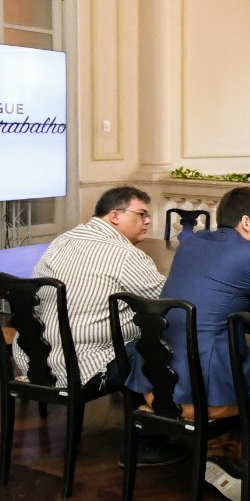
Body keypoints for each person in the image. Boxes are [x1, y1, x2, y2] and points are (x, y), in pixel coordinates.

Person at [131, 186, 250, 501]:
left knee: (238, 359)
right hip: (199, 392)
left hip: (157, 382)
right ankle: (231, 456)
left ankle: (221, 450)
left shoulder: (192, 242)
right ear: (246, 222)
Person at [31, 185, 177, 465]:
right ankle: (143, 444)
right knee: (156, 348)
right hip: (85, 362)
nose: (148, 221)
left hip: (40, 355)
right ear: (114, 216)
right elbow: (165, 302)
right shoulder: (125, 255)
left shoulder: (63, 239)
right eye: (142, 214)